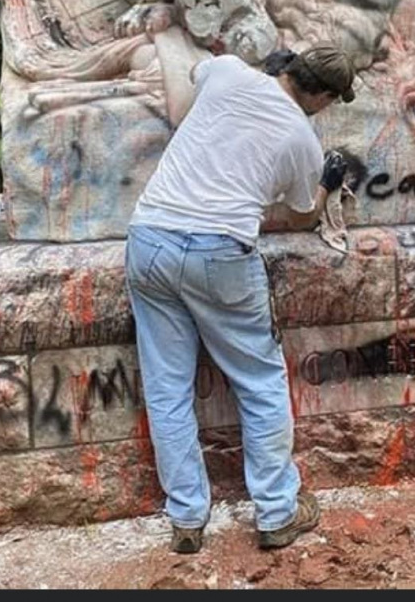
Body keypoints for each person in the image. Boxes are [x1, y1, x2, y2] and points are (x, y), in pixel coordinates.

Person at [125, 44, 355, 553]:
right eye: (332, 100)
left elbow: (199, 70)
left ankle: (186, 518)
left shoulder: (228, 73)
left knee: (166, 387)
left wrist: (258, 68)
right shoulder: (301, 137)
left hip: (149, 238)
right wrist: (325, 186)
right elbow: (299, 216)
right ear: (319, 95)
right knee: (259, 380)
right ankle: (277, 511)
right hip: (219, 254)